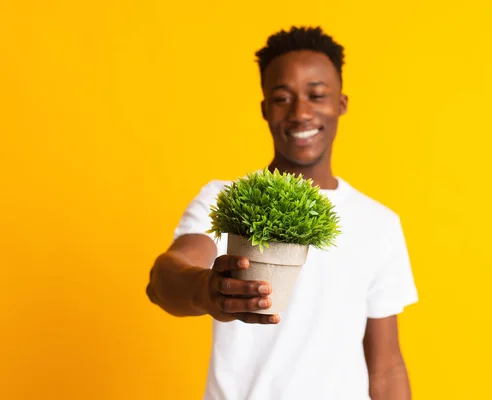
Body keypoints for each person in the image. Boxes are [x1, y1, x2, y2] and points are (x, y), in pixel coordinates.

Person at [146, 26, 419, 400]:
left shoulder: (379, 223)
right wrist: (207, 292)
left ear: (341, 103)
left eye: (317, 95)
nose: (301, 112)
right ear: (264, 109)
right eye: (282, 98)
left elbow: (386, 367)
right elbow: (165, 278)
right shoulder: (225, 198)